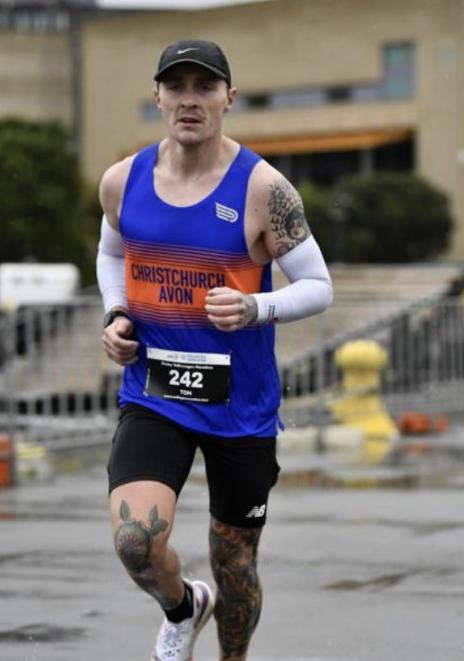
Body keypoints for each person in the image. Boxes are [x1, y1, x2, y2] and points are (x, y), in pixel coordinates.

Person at [97, 39, 333, 661]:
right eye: (177, 86)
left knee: (235, 565)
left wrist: (259, 306)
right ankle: (182, 608)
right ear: (158, 96)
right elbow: (111, 255)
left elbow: (319, 286)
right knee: (134, 542)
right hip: (154, 391)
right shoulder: (123, 181)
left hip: (240, 407)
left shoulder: (264, 189)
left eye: (205, 87)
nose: (189, 99)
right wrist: (117, 312)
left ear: (229, 98)